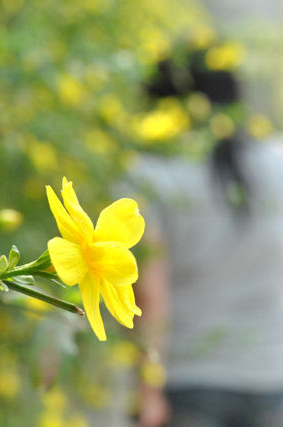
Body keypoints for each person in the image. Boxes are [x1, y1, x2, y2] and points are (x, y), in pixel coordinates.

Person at [131, 51, 283, 426]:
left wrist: (147, 392)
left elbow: (150, 294)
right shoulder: (277, 165)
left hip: (189, 380)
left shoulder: (150, 176)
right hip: (271, 374)